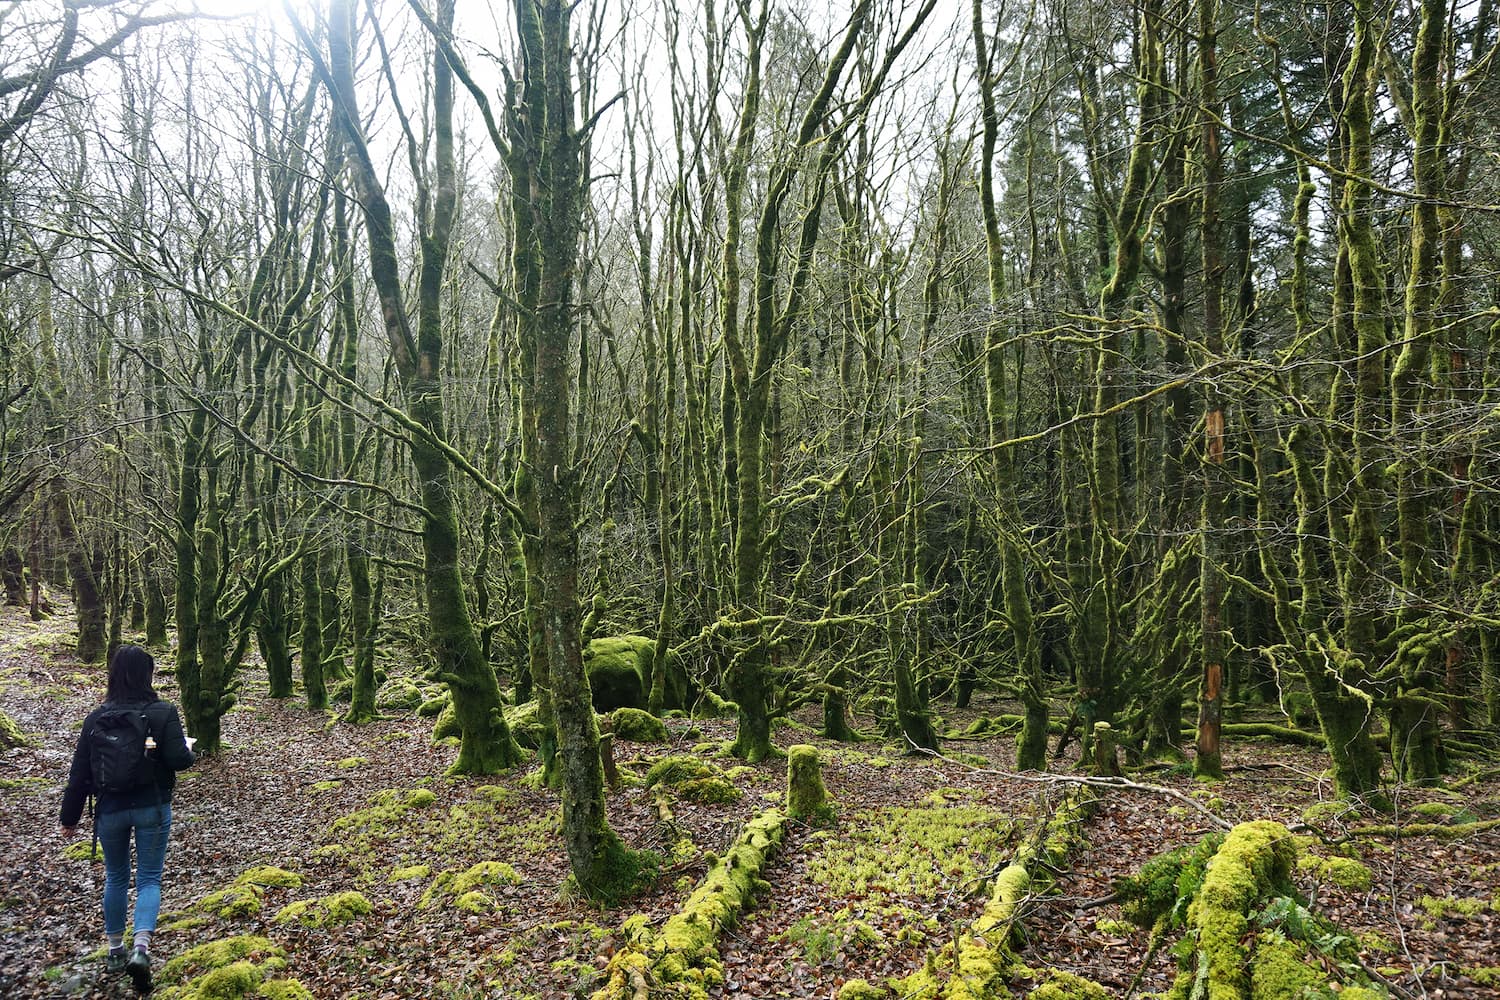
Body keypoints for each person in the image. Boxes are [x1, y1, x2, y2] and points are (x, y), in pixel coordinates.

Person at [59, 645, 196, 993]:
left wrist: (69, 818)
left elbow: (80, 773)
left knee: (116, 877)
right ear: (147, 675)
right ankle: (141, 949)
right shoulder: (163, 712)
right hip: (152, 805)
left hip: (109, 809)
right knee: (149, 878)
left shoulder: (96, 718)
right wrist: (189, 751)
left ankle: (115, 950)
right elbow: (180, 760)